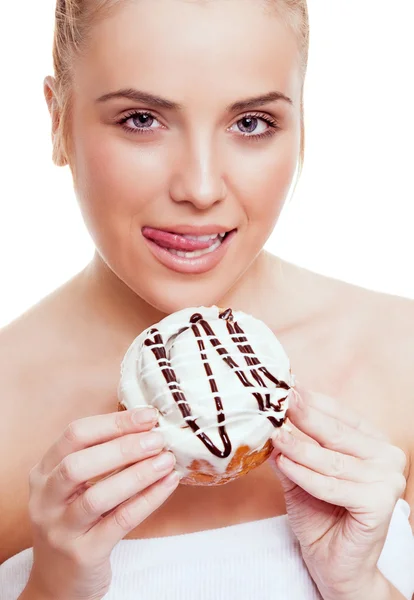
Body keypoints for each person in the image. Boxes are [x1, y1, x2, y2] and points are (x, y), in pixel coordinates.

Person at [0, 0, 413, 598]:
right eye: (141, 119)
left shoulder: (401, 354)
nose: (199, 188)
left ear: (301, 125)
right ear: (58, 118)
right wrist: (55, 586)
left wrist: (360, 585)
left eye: (250, 123)